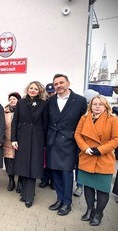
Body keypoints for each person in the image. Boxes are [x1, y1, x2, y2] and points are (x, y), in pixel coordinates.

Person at [46, 73, 87, 216]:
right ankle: (59, 199)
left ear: (68, 83)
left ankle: (67, 203)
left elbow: (84, 123)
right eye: (56, 84)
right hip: (53, 140)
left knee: (67, 172)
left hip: (69, 141)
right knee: (55, 171)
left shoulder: (80, 101)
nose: (58, 86)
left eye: (61, 82)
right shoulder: (50, 101)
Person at [74, 95, 118, 226]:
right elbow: (77, 134)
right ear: (90, 106)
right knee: (88, 187)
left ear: (106, 106)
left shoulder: (113, 119)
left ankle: (98, 213)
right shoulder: (84, 118)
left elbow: (115, 139)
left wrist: (99, 150)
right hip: (87, 156)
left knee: (103, 189)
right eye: (95, 104)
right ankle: (89, 210)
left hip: (103, 158)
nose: (97, 106)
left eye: (100, 104)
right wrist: (85, 147)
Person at [11, 81, 48, 208]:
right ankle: (24, 193)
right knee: (23, 166)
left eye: (35, 89)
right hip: (22, 138)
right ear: (27, 89)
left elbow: (45, 124)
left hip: (36, 138)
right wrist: (13, 139)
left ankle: (29, 197)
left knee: (32, 167)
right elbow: (15, 121)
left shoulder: (43, 104)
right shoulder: (20, 103)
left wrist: (44, 142)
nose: (32, 90)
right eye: (31, 88)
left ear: (39, 91)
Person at [73, 89, 100, 197]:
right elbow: (77, 130)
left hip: (96, 146)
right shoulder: (83, 113)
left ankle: (94, 189)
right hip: (81, 144)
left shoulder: (102, 113)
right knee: (79, 165)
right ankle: (80, 186)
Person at [4, 92, 21, 191]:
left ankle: (20, 181)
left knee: (19, 161)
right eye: (10, 99)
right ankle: (11, 180)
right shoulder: (4, 111)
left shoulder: (22, 111)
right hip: (7, 140)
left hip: (19, 140)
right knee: (8, 161)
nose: (12, 100)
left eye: (14, 99)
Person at [39, 83, 55, 190]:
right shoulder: (44, 103)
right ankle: (44, 179)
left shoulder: (58, 102)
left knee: (53, 158)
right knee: (44, 157)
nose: (51, 94)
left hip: (55, 134)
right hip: (45, 133)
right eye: (49, 92)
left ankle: (53, 181)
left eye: (52, 92)